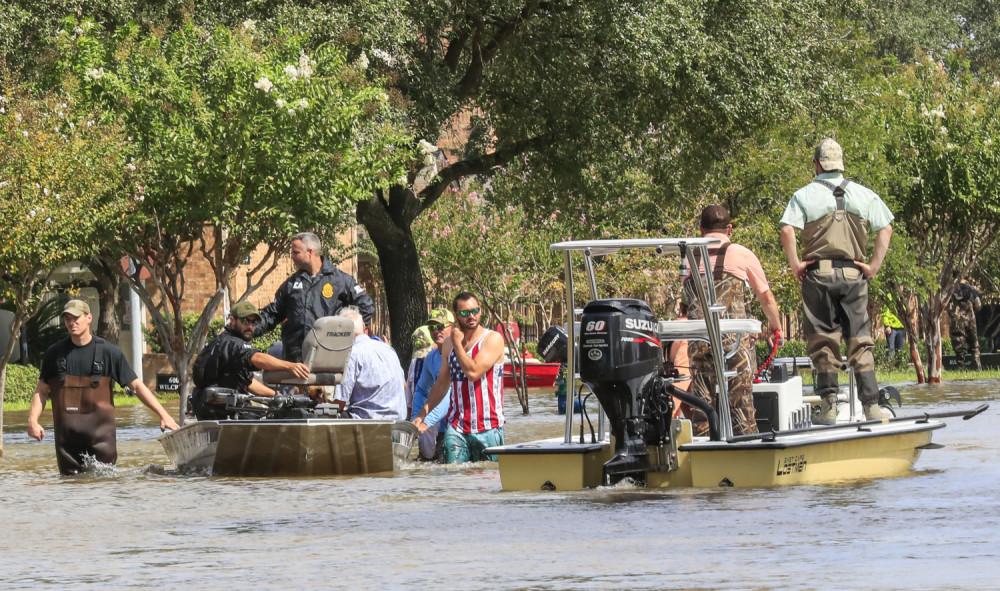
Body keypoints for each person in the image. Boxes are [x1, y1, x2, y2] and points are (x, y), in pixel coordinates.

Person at [780, 138, 894, 424]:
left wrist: (796, 265)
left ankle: (829, 408)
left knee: (823, 341)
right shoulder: (864, 195)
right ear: (841, 164)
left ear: (817, 164)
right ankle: (871, 407)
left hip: (817, 276)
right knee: (860, 340)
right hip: (854, 275)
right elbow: (886, 227)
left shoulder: (803, 195)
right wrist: (872, 266)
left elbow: (787, 230)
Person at [26, 299, 181, 475]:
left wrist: (164, 415)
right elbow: (42, 391)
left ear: (89, 318)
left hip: (101, 442)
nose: (71, 322)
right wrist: (33, 421)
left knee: (104, 486)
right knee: (69, 490)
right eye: (67, 318)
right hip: (66, 445)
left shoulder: (110, 353)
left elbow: (137, 387)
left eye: (76, 317)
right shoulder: (55, 353)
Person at [684, 205, 782, 436]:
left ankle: (703, 448)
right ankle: (746, 447)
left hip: (699, 339)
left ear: (701, 229)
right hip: (733, 341)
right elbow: (765, 296)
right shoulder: (741, 253)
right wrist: (776, 327)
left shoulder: (689, 255)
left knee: (702, 400)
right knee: (740, 401)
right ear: (730, 228)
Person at [412, 292, 505, 463]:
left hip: (488, 427)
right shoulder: (449, 344)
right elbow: (441, 384)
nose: (471, 316)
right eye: (464, 313)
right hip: (457, 428)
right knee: (453, 479)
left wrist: (457, 345)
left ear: (481, 310)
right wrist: (421, 415)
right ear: (456, 315)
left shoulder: (492, 339)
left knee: (487, 481)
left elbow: (473, 372)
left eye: (475, 311)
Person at [257, 232, 375, 362]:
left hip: (329, 358)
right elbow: (272, 314)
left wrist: (344, 334)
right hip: (296, 362)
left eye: (296, 252)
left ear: (310, 252)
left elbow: (366, 307)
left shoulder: (341, 281)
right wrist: (250, 327)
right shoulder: (291, 284)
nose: (292, 257)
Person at [190, 301, 310, 419]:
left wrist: (278, 396)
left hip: (218, 410)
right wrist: (290, 366)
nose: (250, 326)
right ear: (232, 320)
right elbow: (256, 358)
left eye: (254, 322)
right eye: (245, 321)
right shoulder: (231, 343)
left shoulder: (223, 343)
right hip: (224, 412)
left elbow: (248, 382)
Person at [334, 306, 406, 419]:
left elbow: (340, 403)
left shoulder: (351, 355)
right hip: (398, 423)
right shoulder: (389, 349)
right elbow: (403, 385)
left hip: (367, 425)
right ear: (363, 326)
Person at [410, 308, 455, 460]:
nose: (436, 331)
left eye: (441, 326)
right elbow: (422, 390)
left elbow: (450, 393)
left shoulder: (458, 355)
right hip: (443, 427)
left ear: (453, 327)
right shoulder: (431, 357)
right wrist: (415, 420)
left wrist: (426, 422)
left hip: (461, 427)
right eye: (432, 328)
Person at [948, 271, 983, 369]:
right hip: (970, 319)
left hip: (957, 320)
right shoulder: (971, 289)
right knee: (974, 342)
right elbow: (978, 305)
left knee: (958, 343)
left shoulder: (950, 290)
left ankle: (961, 366)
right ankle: (977, 364)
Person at [405, 324, 434, 418]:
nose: (424, 357)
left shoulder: (443, 363)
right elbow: (409, 399)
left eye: (427, 352)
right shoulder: (414, 363)